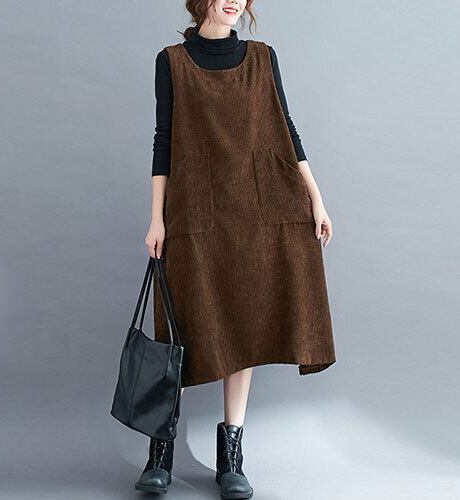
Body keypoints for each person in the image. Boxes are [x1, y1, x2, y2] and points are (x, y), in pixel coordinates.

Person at [140, 1, 336, 497]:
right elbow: (164, 141)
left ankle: (231, 457)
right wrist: (156, 218)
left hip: (255, 212)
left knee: (243, 323)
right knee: (180, 326)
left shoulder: (263, 57)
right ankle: (160, 451)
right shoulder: (171, 61)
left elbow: (285, 127)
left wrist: (316, 199)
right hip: (196, 210)